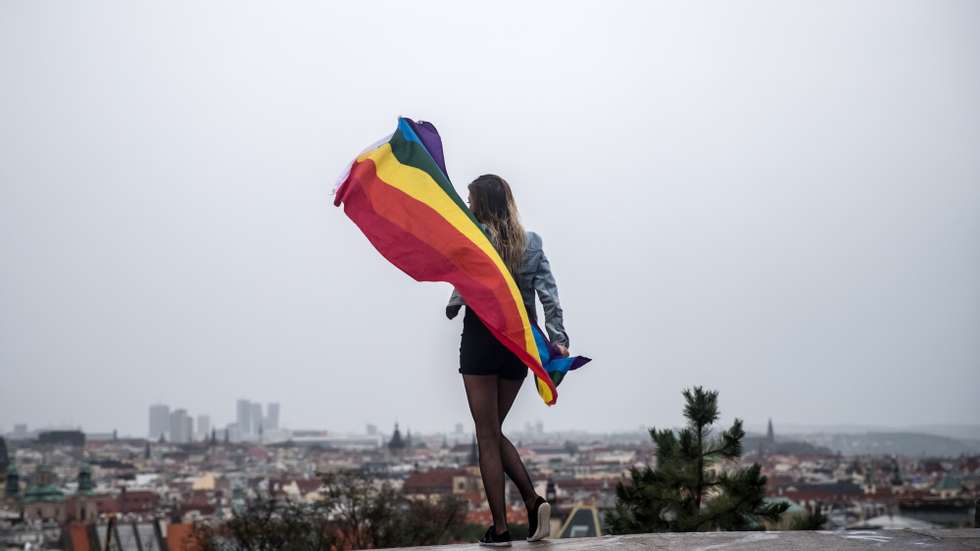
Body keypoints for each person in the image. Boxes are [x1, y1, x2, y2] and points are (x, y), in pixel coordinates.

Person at [446, 174, 570, 547]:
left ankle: (500, 529)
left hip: (483, 337)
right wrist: (559, 338)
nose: (467, 206)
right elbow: (549, 294)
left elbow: (457, 268)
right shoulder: (531, 243)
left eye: (471, 200)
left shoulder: (473, 234)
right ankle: (532, 504)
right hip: (519, 342)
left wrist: (455, 302)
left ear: (481, 203)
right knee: (493, 431)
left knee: (486, 434)